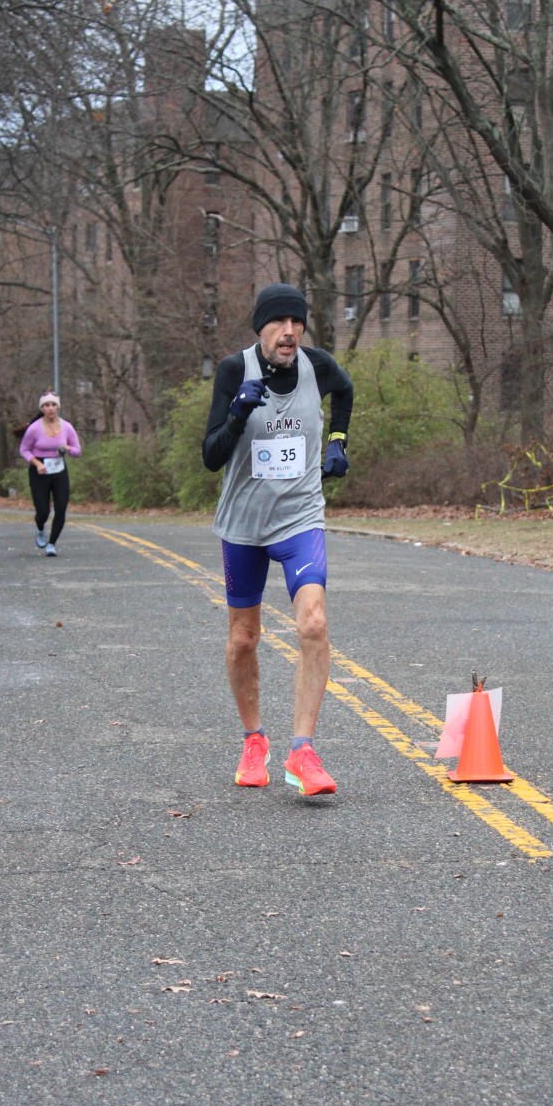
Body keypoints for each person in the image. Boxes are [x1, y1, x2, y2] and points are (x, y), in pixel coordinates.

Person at [202, 283, 353, 796]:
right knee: (244, 638)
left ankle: (302, 751)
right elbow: (211, 456)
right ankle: (254, 740)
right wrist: (237, 414)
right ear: (260, 328)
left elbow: (345, 392)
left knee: (313, 623)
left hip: (300, 518)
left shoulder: (317, 366)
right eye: (278, 323)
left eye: (297, 323)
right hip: (244, 524)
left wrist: (337, 440)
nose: (289, 332)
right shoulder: (233, 371)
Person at [18, 392, 82, 557]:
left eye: (53, 405)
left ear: (58, 407)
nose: (50, 408)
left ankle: (52, 544)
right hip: (39, 471)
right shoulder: (34, 428)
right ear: (42, 408)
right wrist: (37, 463)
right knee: (43, 512)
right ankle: (40, 528)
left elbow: (77, 451)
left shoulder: (67, 427)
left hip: (59, 471)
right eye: (46, 405)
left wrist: (68, 448)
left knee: (60, 509)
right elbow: (23, 449)